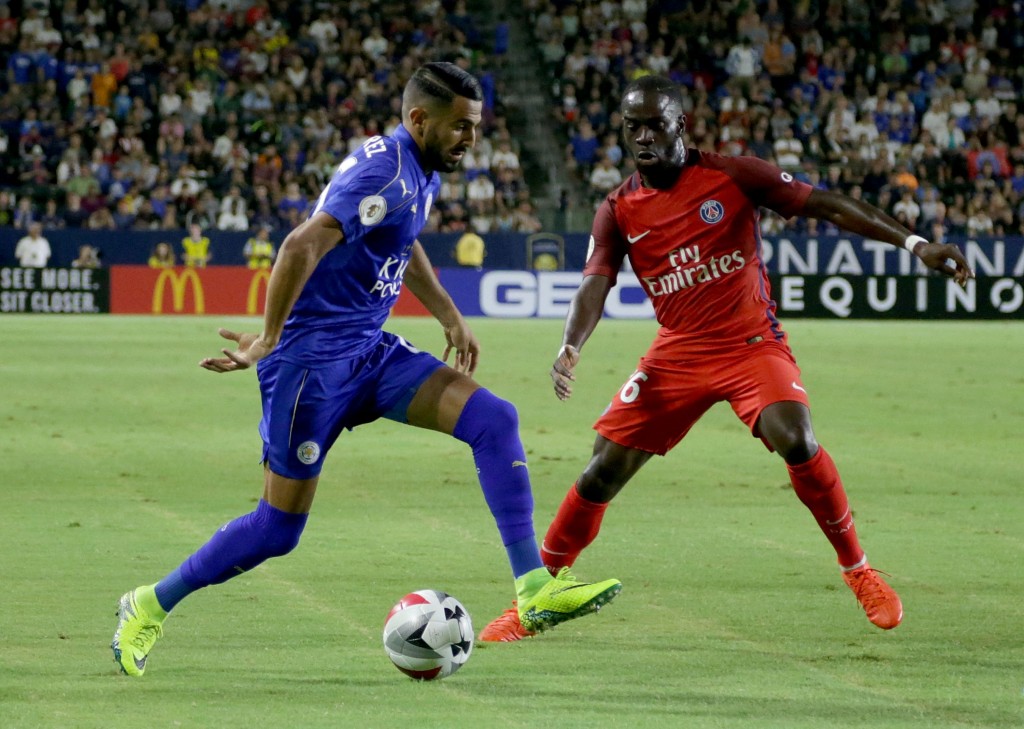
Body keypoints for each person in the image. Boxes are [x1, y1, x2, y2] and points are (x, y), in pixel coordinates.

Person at [111, 62, 621, 677]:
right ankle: (148, 604)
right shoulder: (388, 171)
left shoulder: (417, 169)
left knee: (493, 418)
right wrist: (269, 340)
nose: (471, 139)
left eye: (476, 127)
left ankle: (534, 589)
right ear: (418, 120)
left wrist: (450, 315)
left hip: (369, 353)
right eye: (460, 127)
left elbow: (400, 245)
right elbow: (300, 245)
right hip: (309, 371)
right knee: (276, 529)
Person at [480, 75, 974, 642]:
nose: (643, 137)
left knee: (797, 437)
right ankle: (535, 599)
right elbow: (595, 282)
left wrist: (916, 245)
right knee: (602, 470)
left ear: (680, 125)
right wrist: (571, 346)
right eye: (632, 126)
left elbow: (828, 206)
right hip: (677, 352)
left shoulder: (734, 175)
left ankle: (858, 569)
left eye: (655, 125)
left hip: (748, 343)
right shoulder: (617, 209)